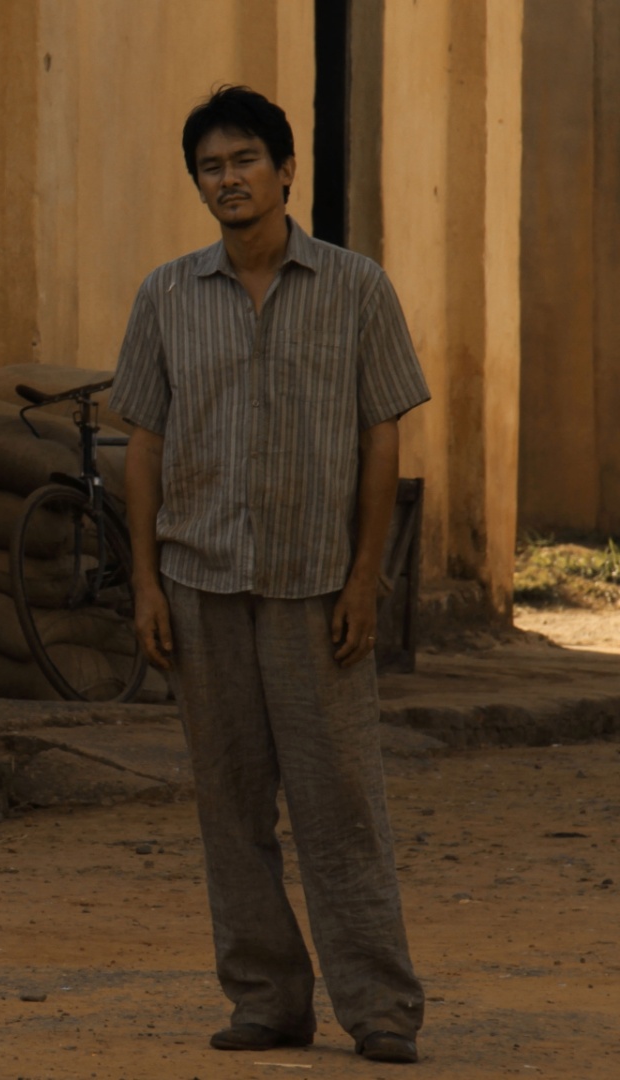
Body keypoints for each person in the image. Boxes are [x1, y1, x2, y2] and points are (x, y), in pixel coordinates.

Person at [109, 86, 429, 1065]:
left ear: (286, 171)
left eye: (245, 160)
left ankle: (380, 1011)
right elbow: (144, 448)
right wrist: (147, 583)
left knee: (340, 806)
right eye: (211, 166)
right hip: (201, 585)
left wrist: (367, 575)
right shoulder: (166, 295)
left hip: (314, 590)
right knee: (230, 804)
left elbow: (383, 438)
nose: (229, 179)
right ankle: (266, 1001)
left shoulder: (357, 288)